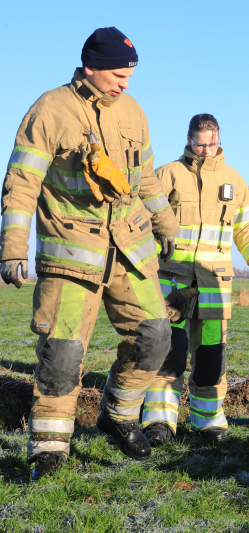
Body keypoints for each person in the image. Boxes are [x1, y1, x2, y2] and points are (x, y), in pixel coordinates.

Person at [0, 27, 178, 480]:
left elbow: (148, 181)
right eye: (118, 74)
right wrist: (12, 246)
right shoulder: (49, 110)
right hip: (72, 255)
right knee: (61, 355)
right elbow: (21, 184)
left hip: (131, 249)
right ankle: (49, 450)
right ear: (91, 67)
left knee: (156, 335)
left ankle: (117, 414)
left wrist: (167, 225)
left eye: (130, 76)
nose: (125, 84)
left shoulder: (134, 111)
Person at [141, 114, 249, 445]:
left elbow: (246, 228)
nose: (206, 150)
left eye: (212, 143)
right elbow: (143, 220)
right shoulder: (168, 174)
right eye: (200, 143)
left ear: (220, 140)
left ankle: (208, 422)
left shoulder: (235, 181)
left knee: (211, 357)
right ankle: (159, 423)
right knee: (169, 352)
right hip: (172, 282)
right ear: (189, 140)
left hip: (215, 286)